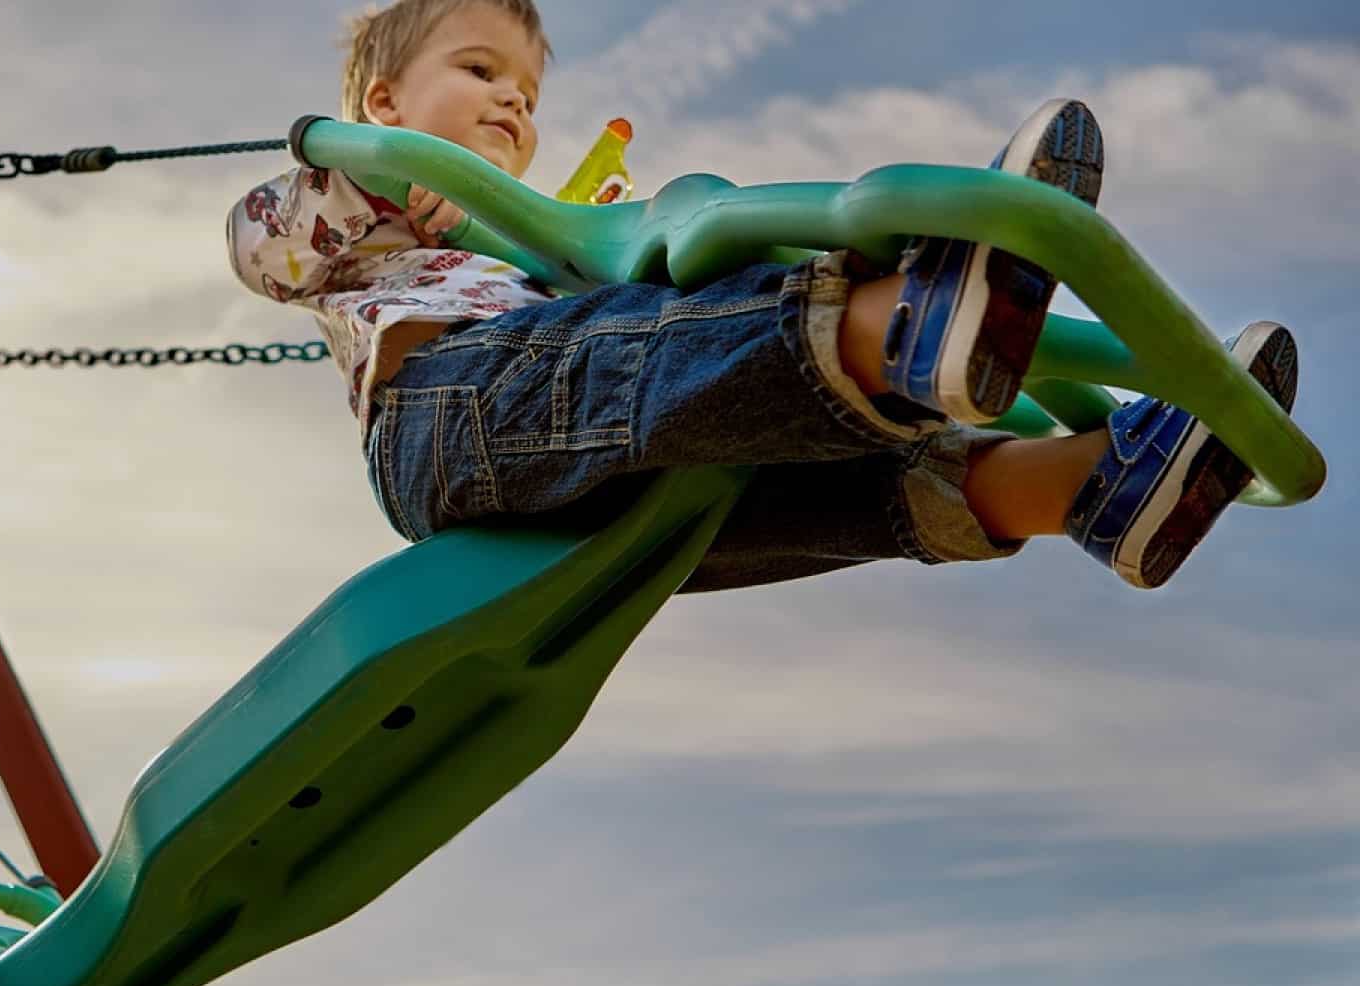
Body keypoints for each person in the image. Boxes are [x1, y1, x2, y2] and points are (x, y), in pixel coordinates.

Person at [225, 0, 1298, 590]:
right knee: (654, 341)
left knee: (775, 488)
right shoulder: (344, 209)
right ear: (381, 102)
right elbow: (259, 245)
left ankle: (1092, 483)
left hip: (583, 495)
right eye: (479, 71)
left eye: (527, 91)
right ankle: (901, 323)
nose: (510, 100)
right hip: (446, 430)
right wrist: (363, 169)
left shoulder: (528, 241)